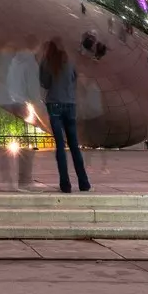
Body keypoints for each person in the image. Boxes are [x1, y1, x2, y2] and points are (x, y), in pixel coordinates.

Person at [39, 38, 90, 193]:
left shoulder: (46, 63)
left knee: (60, 145)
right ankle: (84, 182)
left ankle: (65, 184)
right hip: (70, 105)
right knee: (74, 145)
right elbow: (74, 78)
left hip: (54, 105)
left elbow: (45, 84)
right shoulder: (69, 62)